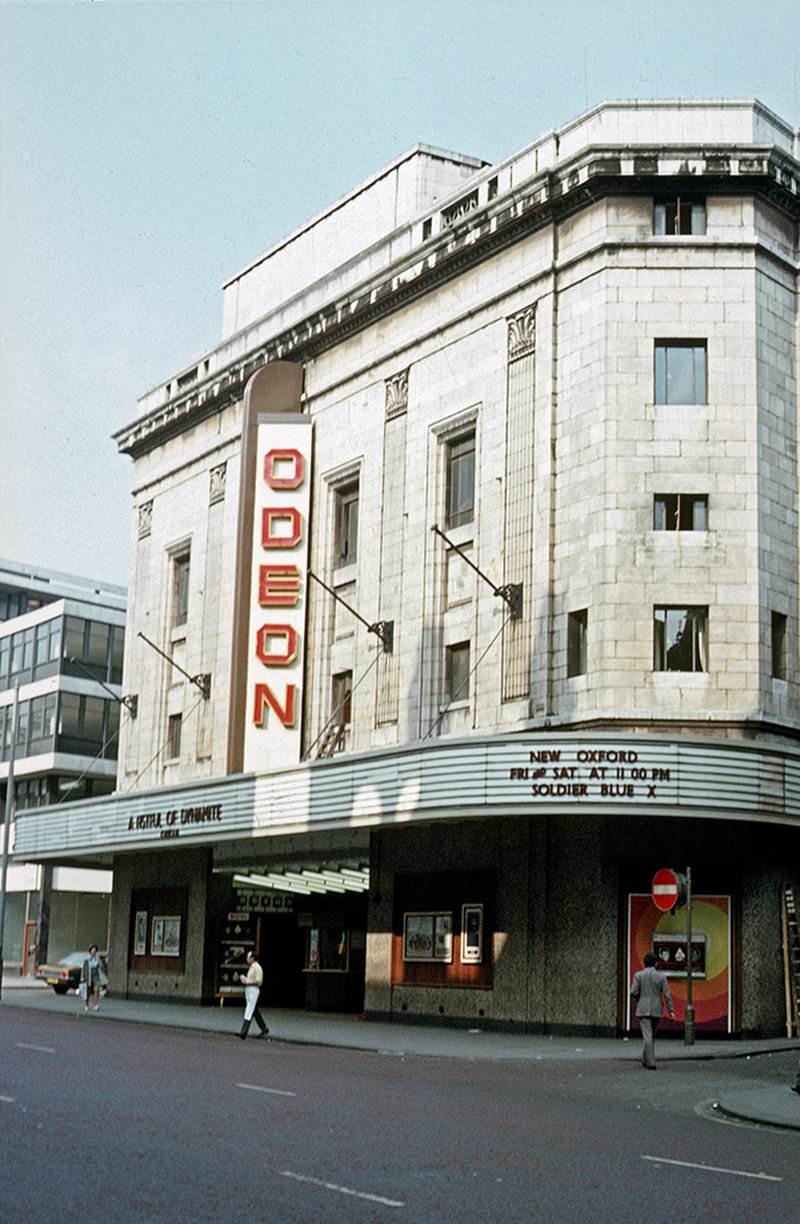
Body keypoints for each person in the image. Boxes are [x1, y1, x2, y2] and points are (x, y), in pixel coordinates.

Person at [630, 951, 676, 1070]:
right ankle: (647, 1059)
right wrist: (671, 1010)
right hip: (656, 1008)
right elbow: (667, 995)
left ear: (644, 963)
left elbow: (633, 992)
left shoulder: (638, 975)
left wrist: (640, 998)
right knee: (651, 1035)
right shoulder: (661, 977)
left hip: (643, 1008)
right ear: (656, 963)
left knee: (647, 1035)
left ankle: (649, 1061)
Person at [237, 950, 269, 1040]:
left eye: (248, 957)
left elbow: (259, 981)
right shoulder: (252, 967)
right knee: (254, 1010)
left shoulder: (257, 968)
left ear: (252, 958)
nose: (247, 958)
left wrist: (247, 981)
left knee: (249, 1009)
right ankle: (264, 1028)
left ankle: (244, 1031)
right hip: (249, 990)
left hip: (253, 990)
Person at [80, 944, 106, 1013]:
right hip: (88, 975)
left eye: (95, 950)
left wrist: (101, 963)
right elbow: (83, 968)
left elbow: (101, 966)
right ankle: (86, 1005)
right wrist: (82, 977)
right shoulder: (86, 958)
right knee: (87, 991)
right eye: (92, 950)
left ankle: (95, 1004)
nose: (94, 952)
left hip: (95, 975)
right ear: (90, 951)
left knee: (96, 989)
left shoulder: (97, 958)